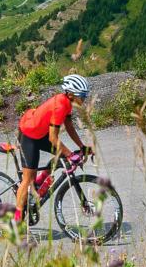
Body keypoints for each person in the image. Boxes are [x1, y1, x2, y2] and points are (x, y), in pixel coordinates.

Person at [14, 74, 92, 219]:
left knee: (61, 157)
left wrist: (82, 146)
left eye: (85, 96)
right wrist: (70, 154)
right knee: (27, 179)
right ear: (70, 94)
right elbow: (53, 138)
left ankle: (39, 181)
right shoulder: (60, 105)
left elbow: (69, 126)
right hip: (29, 136)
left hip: (40, 134)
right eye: (82, 96)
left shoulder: (67, 103)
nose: (84, 99)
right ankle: (16, 221)